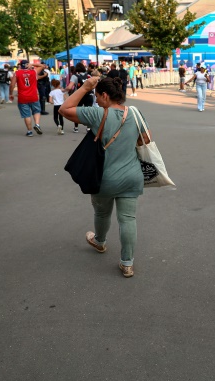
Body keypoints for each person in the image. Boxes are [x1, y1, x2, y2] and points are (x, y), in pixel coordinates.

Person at [59, 76, 149, 278]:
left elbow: (64, 109)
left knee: (102, 213)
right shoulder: (135, 113)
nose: (96, 99)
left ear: (105, 95)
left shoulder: (97, 114)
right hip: (132, 176)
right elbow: (146, 139)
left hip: (104, 178)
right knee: (128, 219)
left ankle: (100, 242)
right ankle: (127, 263)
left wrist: (84, 87)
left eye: (97, 95)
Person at [9, 60, 42, 137]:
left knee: (26, 115)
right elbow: (42, 66)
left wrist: (11, 94)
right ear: (27, 65)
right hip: (33, 96)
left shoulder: (17, 73)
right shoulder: (34, 72)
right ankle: (37, 124)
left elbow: (12, 85)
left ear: (20, 65)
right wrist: (32, 64)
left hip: (22, 97)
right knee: (36, 111)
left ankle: (29, 131)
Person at [66, 63, 93, 133]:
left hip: (79, 96)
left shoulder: (75, 76)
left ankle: (76, 127)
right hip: (89, 95)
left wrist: (63, 90)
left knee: (77, 111)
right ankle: (88, 127)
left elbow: (69, 87)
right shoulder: (88, 75)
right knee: (88, 111)